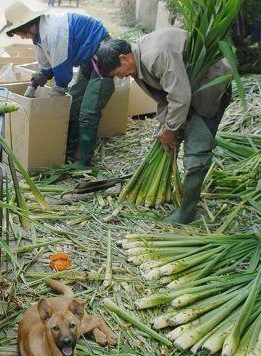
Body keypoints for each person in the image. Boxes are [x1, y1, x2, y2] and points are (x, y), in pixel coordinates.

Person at [95, 29, 232, 224]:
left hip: (209, 88)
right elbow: (163, 98)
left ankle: (187, 212)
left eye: (117, 73)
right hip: (185, 92)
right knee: (168, 141)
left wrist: (171, 130)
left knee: (197, 154)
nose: (120, 78)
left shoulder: (156, 55)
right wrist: (164, 128)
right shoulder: (137, 65)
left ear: (124, 58)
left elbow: (179, 97)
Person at [0, 1, 114, 167]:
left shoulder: (53, 32)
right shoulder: (38, 37)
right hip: (88, 58)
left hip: (103, 52)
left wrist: (53, 101)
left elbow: (62, 73)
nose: (21, 36)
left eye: (20, 32)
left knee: (88, 112)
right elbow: (47, 67)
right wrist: (36, 82)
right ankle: (68, 153)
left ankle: (84, 162)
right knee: (74, 105)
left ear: (27, 25)